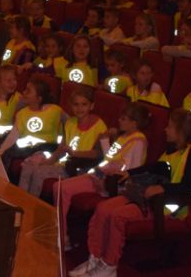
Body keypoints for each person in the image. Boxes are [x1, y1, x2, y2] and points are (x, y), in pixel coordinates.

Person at [70, 109, 191, 277]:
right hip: (146, 198)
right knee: (103, 208)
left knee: (117, 216)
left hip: (164, 207)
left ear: (181, 132)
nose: (165, 129)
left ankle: (109, 266)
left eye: (170, 126)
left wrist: (162, 189)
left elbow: (187, 186)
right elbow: (155, 167)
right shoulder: (171, 151)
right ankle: (95, 259)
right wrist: (132, 173)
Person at [56, 103, 150, 250]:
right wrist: (105, 140)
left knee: (62, 188)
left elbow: (132, 170)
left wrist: (104, 177)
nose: (119, 120)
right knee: (59, 187)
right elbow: (108, 159)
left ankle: (62, 239)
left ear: (134, 123)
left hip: (112, 184)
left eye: (124, 119)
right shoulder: (123, 136)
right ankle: (61, 234)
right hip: (99, 176)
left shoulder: (138, 140)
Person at [18, 86, 106, 197]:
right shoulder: (70, 123)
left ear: (91, 106)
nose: (80, 108)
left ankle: (33, 204)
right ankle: (23, 199)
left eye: (84, 104)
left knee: (39, 173)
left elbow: (99, 153)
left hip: (81, 168)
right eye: (76, 104)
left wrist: (75, 154)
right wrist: (47, 162)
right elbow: (62, 148)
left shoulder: (99, 125)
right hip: (65, 163)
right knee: (32, 166)